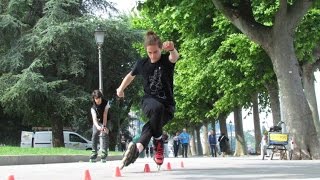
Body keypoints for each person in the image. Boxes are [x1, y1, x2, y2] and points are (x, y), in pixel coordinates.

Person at [116, 30, 179, 169]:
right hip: (149, 102)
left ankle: (136, 150)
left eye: (155, 52)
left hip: (168, 106)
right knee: (157, 108)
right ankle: (158, 142)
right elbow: (130, 76)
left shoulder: (165, 60)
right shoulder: (142, 63)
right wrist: (121, 89)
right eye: (149, 52)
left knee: (151, 126)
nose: (152, 56)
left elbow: (174, 57)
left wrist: (173, 49)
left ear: (160, 48)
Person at [89, 90, 110, 162]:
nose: (98, 101)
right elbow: (94, 119)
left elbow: (105, 115)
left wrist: (104, 126)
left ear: (101, 97)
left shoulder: (106, 103)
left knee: (105, 133)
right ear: (94, 99)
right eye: (96, 99)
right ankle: (94, 152)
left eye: (99, 99)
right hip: (97, 121)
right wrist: (98, 126)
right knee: (94, 133)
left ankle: (104, 152)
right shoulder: (93, 107)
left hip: (106, 119)